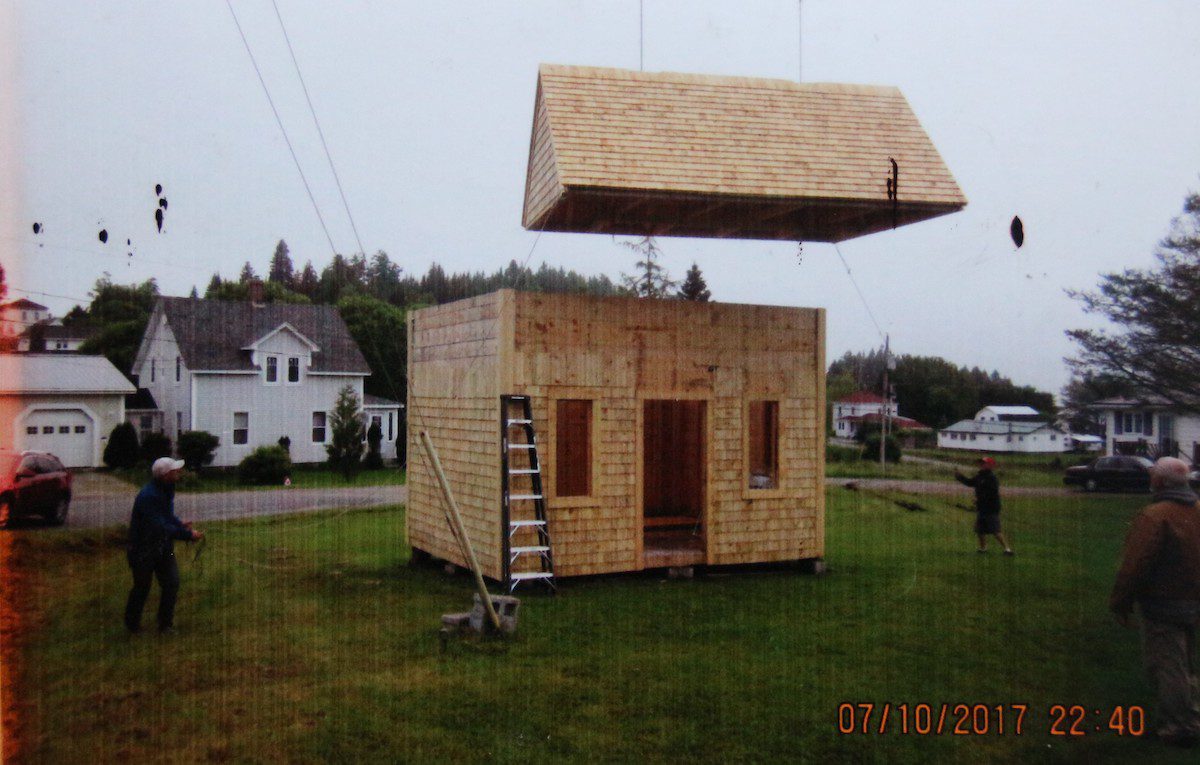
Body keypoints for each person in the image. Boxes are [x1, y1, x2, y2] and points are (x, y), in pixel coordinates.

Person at [1110, 456, 1200, 747]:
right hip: (1193, 602)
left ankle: (1179, 727)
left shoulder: (1154, 516)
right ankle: (1189, 717)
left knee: (1167, 666)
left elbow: (1135, 564)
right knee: (1184, 664)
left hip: (1163, 604)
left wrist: (1120, 602)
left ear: (1160, 482)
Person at [123, 457, 202, 634]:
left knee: (172, 582)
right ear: (166, 475)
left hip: (163, 548)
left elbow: (166, 516)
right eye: (175, 470)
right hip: (142, 549)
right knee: (142, 587)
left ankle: (165, 624)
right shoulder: (148, 496)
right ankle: (132, 625)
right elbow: (160, 526)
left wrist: (180, 524)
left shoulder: (166, 489)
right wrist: (188, 535)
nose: (179, 472)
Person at [954, 456, 1014, 555]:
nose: (981, 465)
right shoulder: (979, 476)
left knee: (995, 530)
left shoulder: (992, 478)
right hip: (981, 507)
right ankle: (983, 549)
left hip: (991, 507)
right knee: (980, 530)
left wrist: (979, 498)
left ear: (990, 466)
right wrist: (959, 477)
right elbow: (970, 483)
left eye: (984, 463)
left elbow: (992, 493)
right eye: (980, 463)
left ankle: (1007, 549)